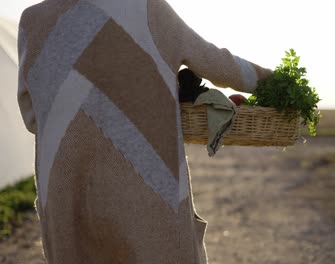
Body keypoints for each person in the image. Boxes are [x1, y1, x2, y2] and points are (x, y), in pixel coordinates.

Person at [17, 0, 272, 263]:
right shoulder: (147, 7)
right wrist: (275, 81)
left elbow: (31, 115)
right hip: (147, 187)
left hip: (66, 192)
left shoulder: (32, 20)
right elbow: (216, 63)